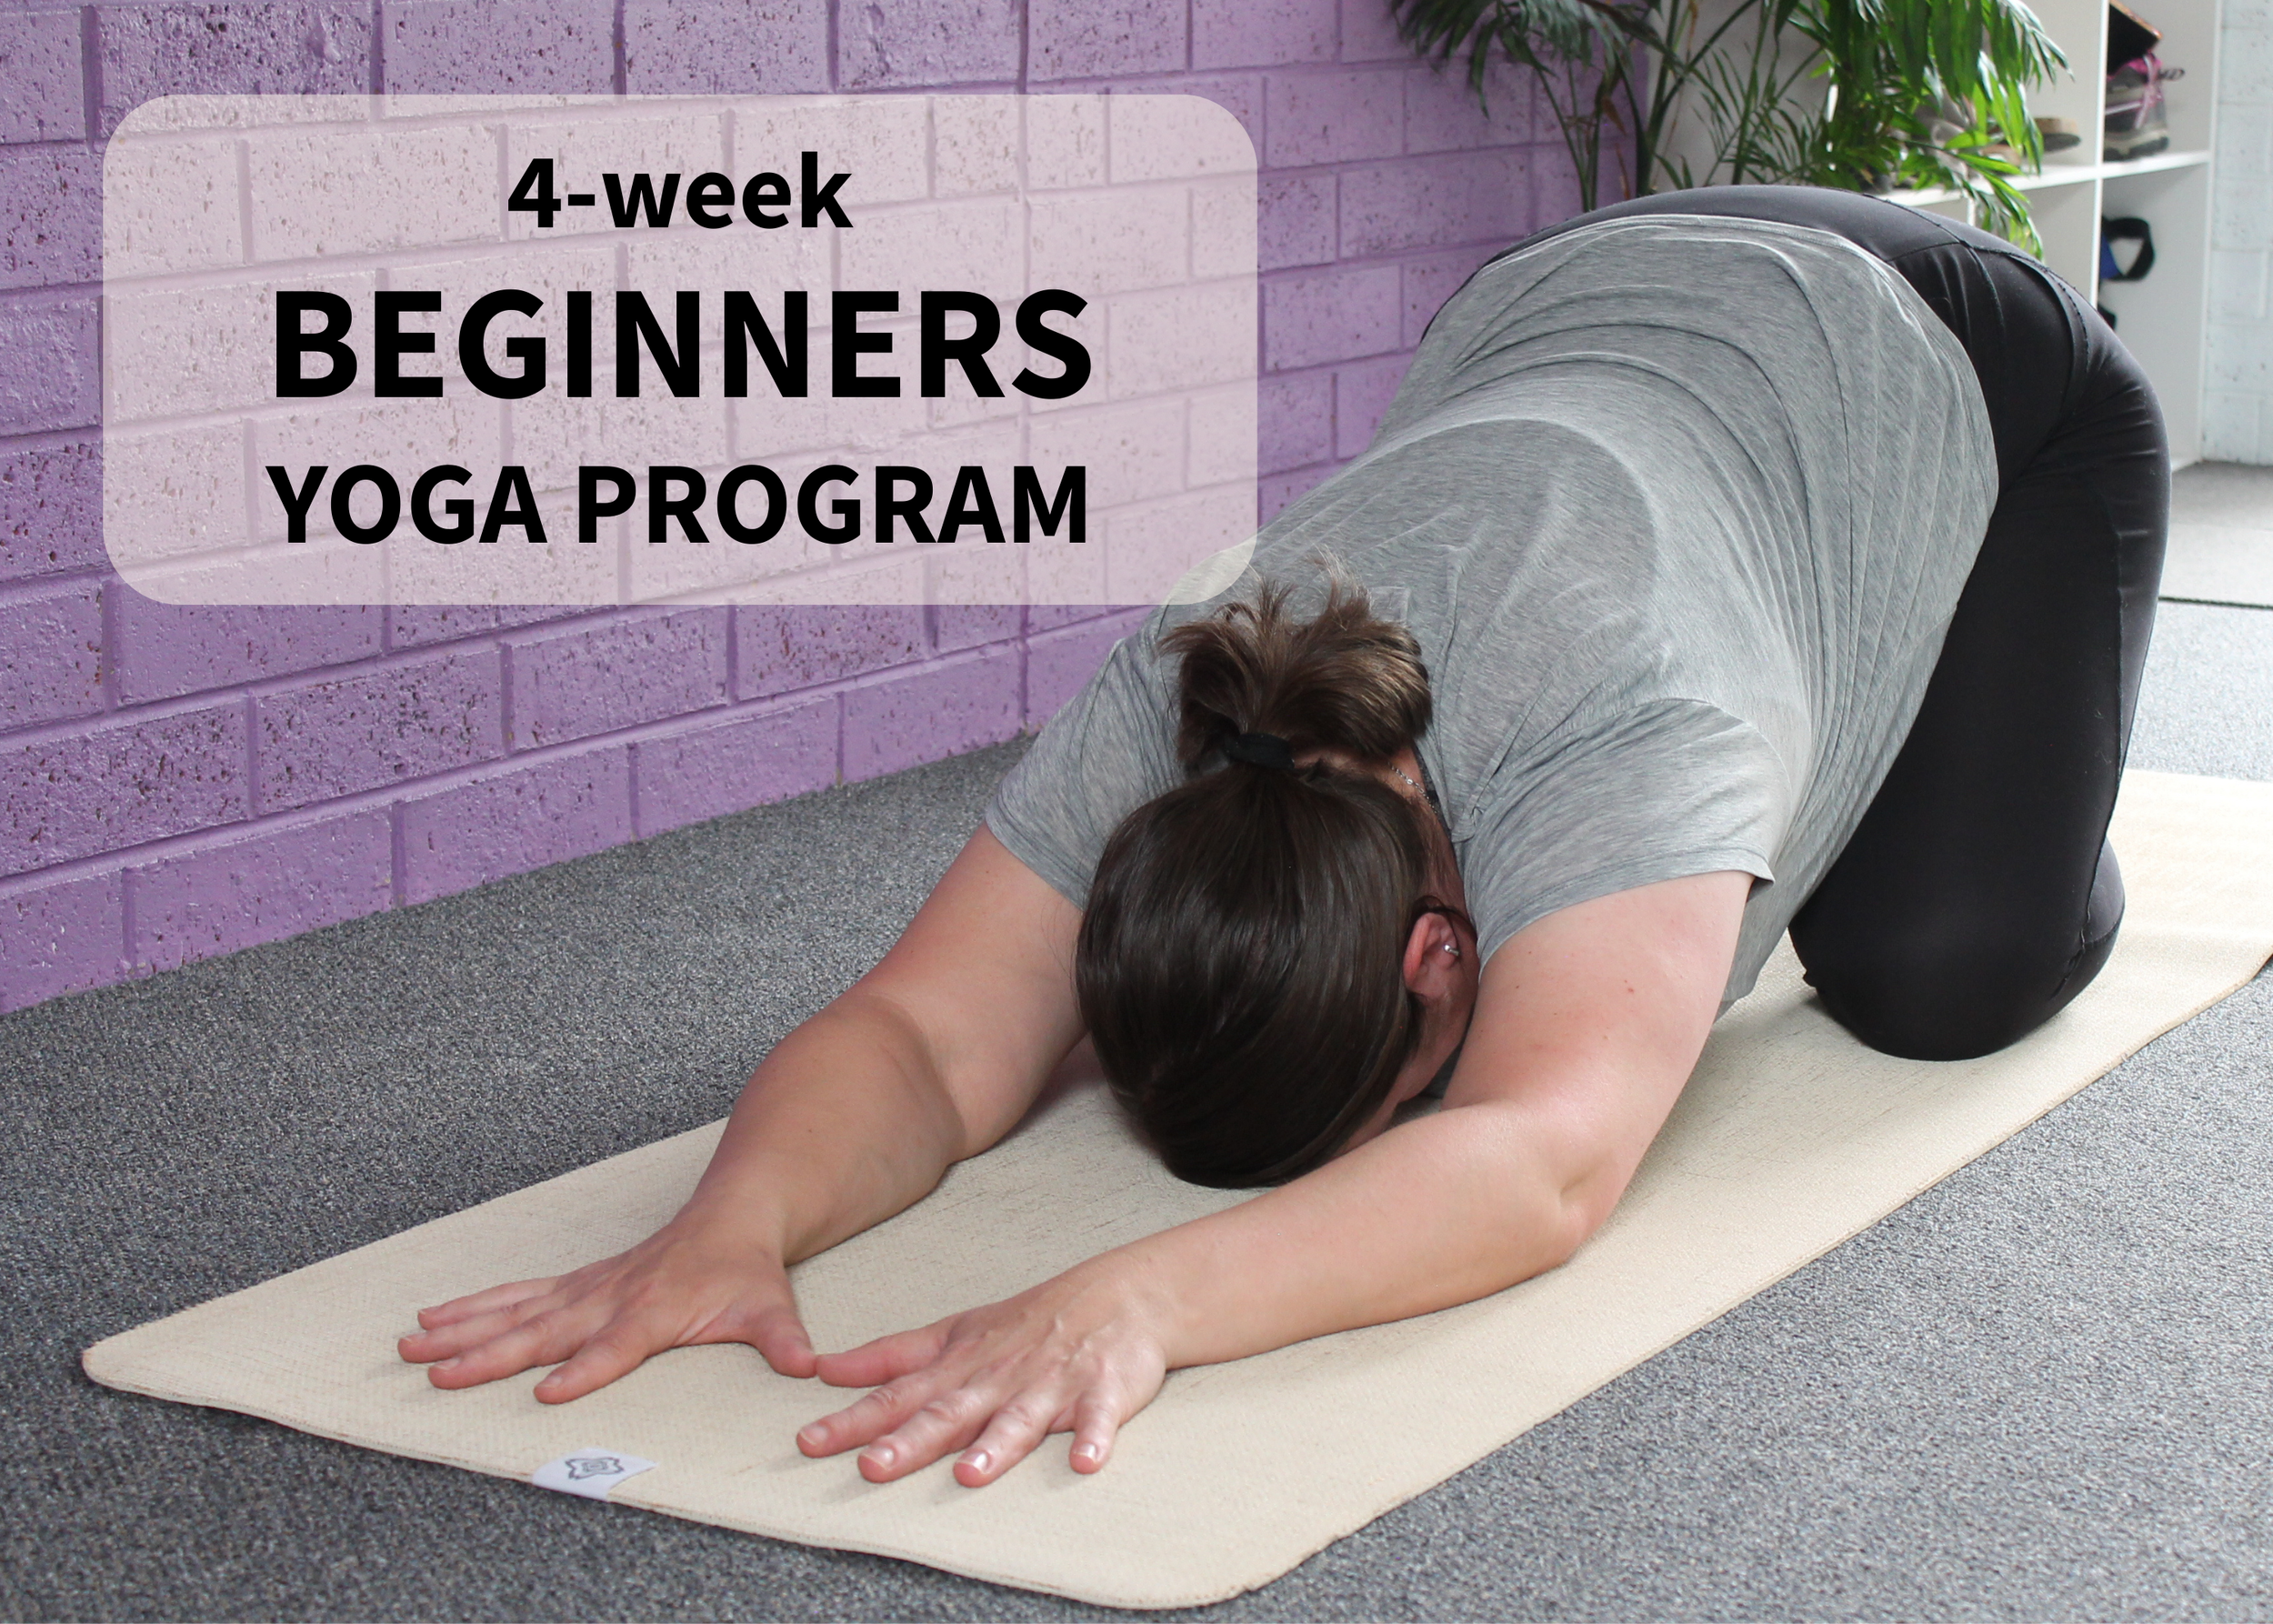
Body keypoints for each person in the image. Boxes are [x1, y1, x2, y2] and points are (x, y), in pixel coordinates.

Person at [397, 186, 2168, 1489]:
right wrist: (730, 1222)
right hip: (1564, 285)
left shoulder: (1631, 716)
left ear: (1436, 958)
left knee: (1932, 972)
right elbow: (927, 1034)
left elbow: (1542, 1154)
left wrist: (1134, 1295)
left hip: (1959, 355)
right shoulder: (1193, 698)